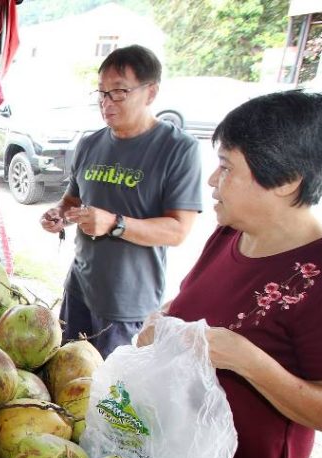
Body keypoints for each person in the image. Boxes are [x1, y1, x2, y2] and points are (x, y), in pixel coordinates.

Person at [139, 90, 322, 458]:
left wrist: (246, 360)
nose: (213, 180)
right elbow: (194, 304)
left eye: (227, 167)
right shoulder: (229, 235)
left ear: (286, 180)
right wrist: (162, 319)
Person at [40, 45, 202, 357]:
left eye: (119, 92)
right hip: (79, 289)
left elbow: (178, 230)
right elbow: (73, 199)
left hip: (127, 305)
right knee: (65, 379)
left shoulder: (178, 149)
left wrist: (115, 224)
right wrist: (59, 213)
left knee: (110, 396)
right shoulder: (90, 143)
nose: (106, 103)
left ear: (150, 92)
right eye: (101, 93)